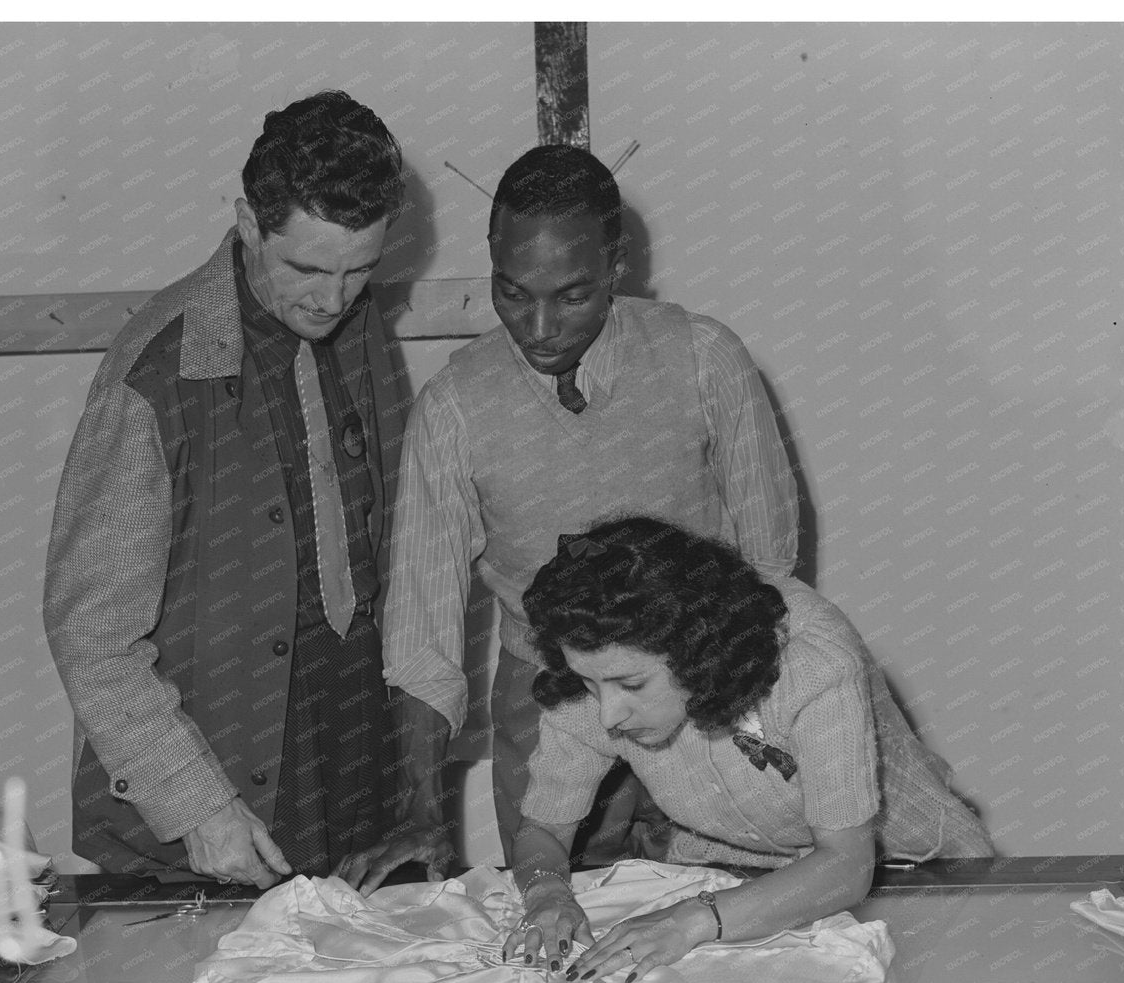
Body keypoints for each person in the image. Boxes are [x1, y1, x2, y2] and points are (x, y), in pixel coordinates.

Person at [339, 145, 799, 890]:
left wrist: (756, 733)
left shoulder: (706, 361)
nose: (542, 326)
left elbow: (770, 573)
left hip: (705, 689)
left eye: (574, 295)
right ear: (491, 260)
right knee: (556, 940)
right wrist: (418, 807)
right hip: (546, 696)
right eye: (513, 293)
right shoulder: (455, 407)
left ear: (619, 267)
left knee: (722, 926)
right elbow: (421, 634)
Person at [44, 90, 415, 886]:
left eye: (359, 270)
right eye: (308, 268)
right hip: (212, 792)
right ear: (249, 223)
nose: (332, 298)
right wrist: (197, 807)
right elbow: (92, 636)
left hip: (345, 762)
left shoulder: (354, 317)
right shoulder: (153, 376)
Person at [503, 516, 995, 982]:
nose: (607, 715)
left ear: (697, 652)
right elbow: (544, 826)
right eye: (591, 685)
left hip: (910, 873)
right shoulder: (597, 667)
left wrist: (693, 919)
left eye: (630, 684)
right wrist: (546, 892)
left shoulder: (811, 661)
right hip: (729, 881)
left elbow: (847, 865)